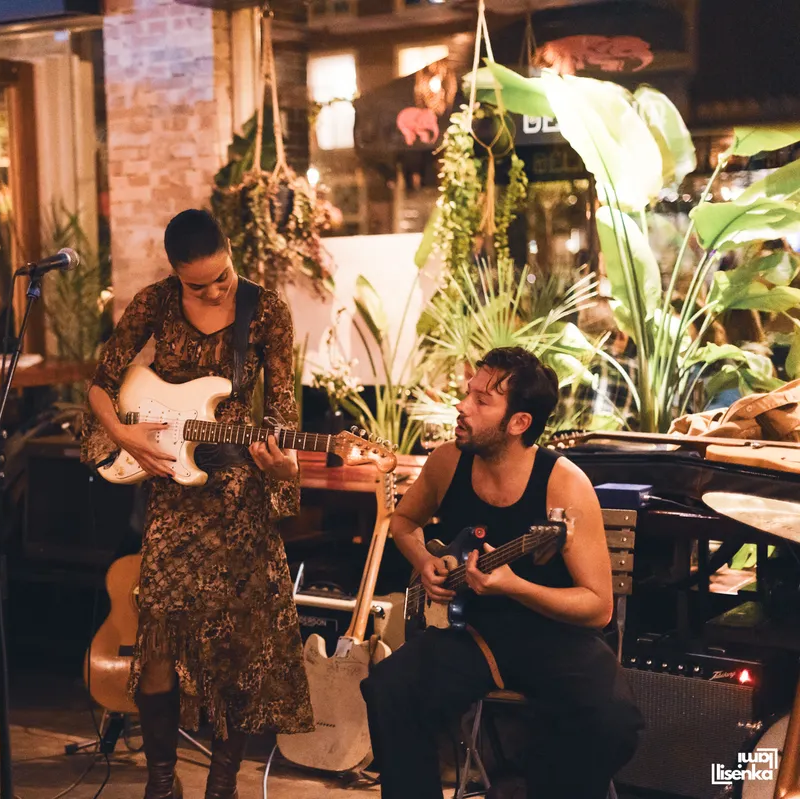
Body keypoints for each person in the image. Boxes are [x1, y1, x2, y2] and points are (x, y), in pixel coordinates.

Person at [82, 209, 314, 798]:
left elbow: (281, 410)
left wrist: (285, 466)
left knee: (238, 648)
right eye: (197, 284)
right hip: (172, 493)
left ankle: (222, 784)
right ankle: (162, 783)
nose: (213, 292)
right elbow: (100, 384)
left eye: (222, 278)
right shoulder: (154, 303)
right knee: (158, 640)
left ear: (231, 251)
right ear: (174, 273)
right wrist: (125, 435)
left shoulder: (267, 311)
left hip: (239, 500)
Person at [360, 347, 642, 799]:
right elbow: (404, 522)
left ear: (519, 423)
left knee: (612, 721)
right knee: (389, 688)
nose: (462, 406)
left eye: (481, 401)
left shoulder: (564, 483)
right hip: (473, 632)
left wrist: (516, 586)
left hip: (556, 638)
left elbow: (598, 608)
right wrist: (425, 562)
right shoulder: (448, 461)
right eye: (467, 393)